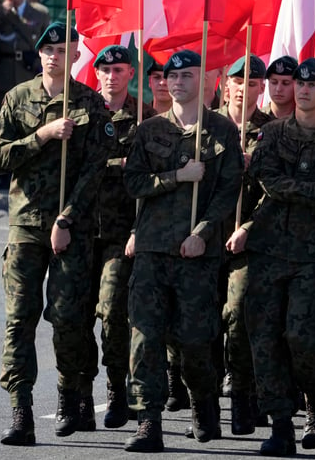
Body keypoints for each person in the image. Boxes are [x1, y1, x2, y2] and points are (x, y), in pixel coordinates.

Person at [0, 21, 114, 446]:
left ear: (77, 55)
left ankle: (69, 395)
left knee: (67, 318)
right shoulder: (18, 98)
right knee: (19, 319)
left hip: (72, 229)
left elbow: (93, 172)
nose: (53, 55)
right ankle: (20, 410)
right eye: (48, 48)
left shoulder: (90, 104)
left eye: (63, 49)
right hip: (26, 225)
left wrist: (67, 219)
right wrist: (42, 135)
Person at [123, 50, 243, 452]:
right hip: (154, 249)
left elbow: (227, 192)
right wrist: (176, 176)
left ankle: (202, 401)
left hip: (197, 254)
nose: (177, 82)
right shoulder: (149, 130)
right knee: (145, 337)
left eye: (187, 75)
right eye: (171, 76)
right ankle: (148, 421)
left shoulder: (222, 131)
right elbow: (134, 183)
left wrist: (204, 233)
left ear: (205, 81)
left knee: (194, 341)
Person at [242, 58, 315, 456]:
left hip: (313, 257)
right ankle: (280, 425)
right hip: (269, 251)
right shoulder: (272, 135)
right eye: (299, 84)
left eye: (313, 85)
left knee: (301, 336)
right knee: (264, 339)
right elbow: (270, 182)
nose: (304, 90)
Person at [83, 45, 157, 431]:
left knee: (112, 312)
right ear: (96, 73)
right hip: (80, 231)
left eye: (119, 69)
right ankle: (77, 392)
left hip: (121, 233)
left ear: (132, 73)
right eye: (105, 69)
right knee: (74, 317)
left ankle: (115, 388)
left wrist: (137, 229)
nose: (111, 75)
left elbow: (154, 179)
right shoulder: (80, 113)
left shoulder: (147, 119)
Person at [216, 55, 273, 434]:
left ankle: (243, 398)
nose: (244, 87)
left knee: (237, 317)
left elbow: (277, 192)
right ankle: (203, 405)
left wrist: (248, 226)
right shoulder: (208, 126)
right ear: (226, 85)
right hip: (203, 236)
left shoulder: (273, 131)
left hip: (249, 239)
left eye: (253, 82)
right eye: (238, 81)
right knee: (201, 324)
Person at [0, 0, 50, 120]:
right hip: (2, 73)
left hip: (27, 71)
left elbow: (47, 43)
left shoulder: (40, 14)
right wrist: (0, 13)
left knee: (25, 116)